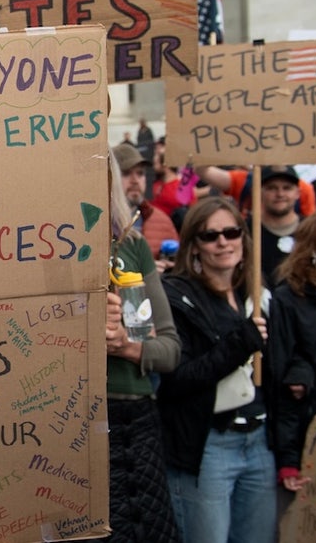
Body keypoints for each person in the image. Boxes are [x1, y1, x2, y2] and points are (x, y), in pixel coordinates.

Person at [158, 197, 275, 543]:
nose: (223, 242)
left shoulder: (259, 294)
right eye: (210, 236)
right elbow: (176, 379)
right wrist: (239, 345)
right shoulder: (176, 297)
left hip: (260, 443)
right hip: (208, 447)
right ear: (194, 245)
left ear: (243, 236)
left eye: (231, 231)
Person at [104, 157, 182, 542]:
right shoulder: (36, 247)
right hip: (65, 423)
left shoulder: (131, 246)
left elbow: (168, 349)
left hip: (134, 421)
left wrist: (126, 346)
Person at [266, 208, 316, 501]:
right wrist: (289, 460)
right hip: (310, 437)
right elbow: (285, 382)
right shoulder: (288, 299)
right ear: (312, 249)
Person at [112, 144, 178, 259]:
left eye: (140, 173)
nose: (135, 180)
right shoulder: (100, 224)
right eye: (126, 173)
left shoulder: (161, 220)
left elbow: (180, 266)